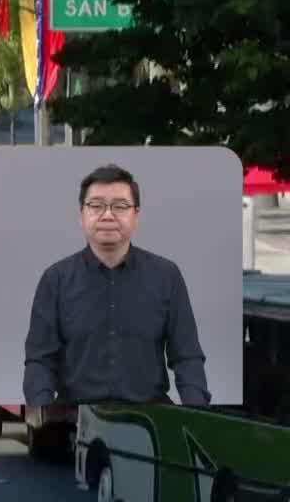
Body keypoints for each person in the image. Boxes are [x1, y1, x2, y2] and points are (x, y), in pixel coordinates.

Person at [23, 163, 209, 406]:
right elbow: (39, 361)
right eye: (96, 206)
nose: (108, 215)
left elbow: (187, 357)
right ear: (82, 215)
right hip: (74, 419)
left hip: (150, 419)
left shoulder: (166, 276)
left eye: (120, 206)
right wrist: (42, 412)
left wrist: (195, 415)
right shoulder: (55, 280)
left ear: (136, 216)